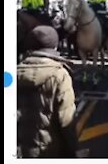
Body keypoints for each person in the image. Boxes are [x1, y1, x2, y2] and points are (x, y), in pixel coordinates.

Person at [17, 26, 85, 158]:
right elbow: (66, 120)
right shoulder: (59, 75)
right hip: (49, 149)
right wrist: (73, 150)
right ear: (54, 47)